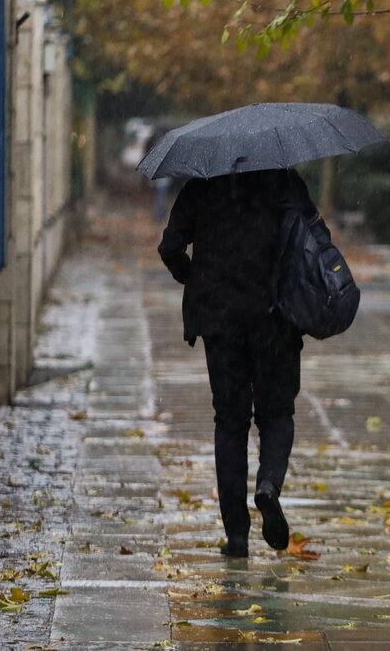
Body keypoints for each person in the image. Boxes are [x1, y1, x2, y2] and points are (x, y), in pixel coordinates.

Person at [158, 168, 316, 558]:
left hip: (220, 320)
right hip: (274, 318)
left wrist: (195, 277)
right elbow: (312, 238)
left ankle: (238, 535)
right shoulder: (284, 182)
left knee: (230, 421)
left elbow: (169, 248)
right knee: (276, 413)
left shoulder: (202, 187)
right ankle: (268, 486)